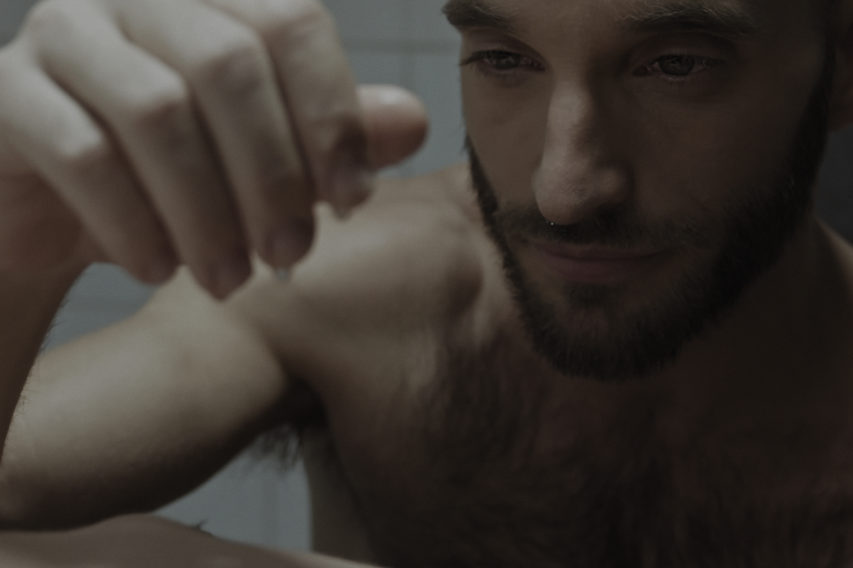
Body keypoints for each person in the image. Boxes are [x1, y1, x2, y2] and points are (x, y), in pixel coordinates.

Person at [1, 0, 852, 565]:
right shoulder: (349, 284)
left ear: (840, 68)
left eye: (676, 66)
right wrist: (15, 250)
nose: (563, 190)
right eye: (504, 58)